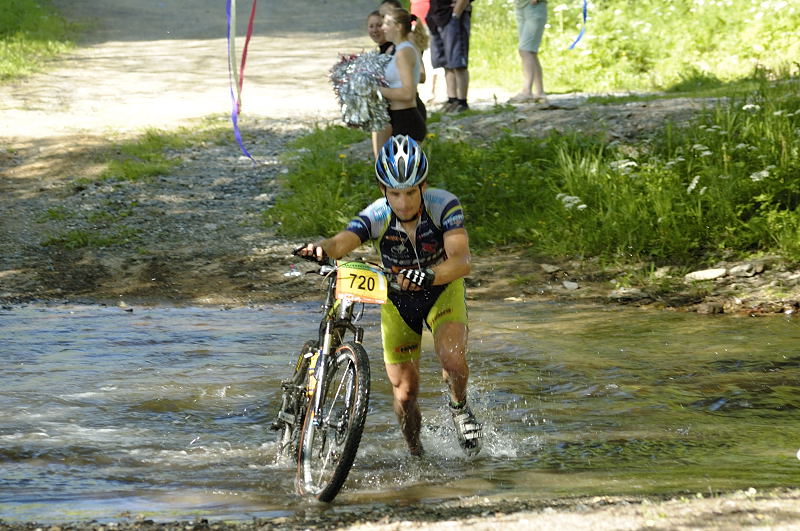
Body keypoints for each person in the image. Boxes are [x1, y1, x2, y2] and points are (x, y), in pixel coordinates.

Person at [297, 135, 483, 457]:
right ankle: (416, 454)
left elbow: (462, 261)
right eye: (395, 193)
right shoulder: (378, 214)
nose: (404, 201)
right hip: (397, 300)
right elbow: (342, 242)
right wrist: (321, 249)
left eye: (411, 192)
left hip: (441, 290)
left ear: (423, 186)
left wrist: (429, 275)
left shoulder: (444, 205)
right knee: (406, 393)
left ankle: (459, 406)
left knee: (451, 359)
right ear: (383, 190)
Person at [371, 8, 429, 158]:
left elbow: (407, 93)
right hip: (396, 117)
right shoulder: (398, 50)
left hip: (406, 119)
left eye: (387, 24)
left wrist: (376, 89)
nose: (383, 28)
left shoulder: (404, 52)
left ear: (398, 27)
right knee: (395, 178)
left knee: (405, 179)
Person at [426, 0, 472, 113]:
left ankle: (462, 102)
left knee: (457, 62)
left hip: (452, 16)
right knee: (446, 63)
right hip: (436, 16)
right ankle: (452, 100)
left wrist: (456, 13)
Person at [509, 0, 547, 103]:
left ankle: (527, 91)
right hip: (520, 6)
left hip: (534, 7)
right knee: (531, 52)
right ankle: (539, 92)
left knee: (525, 50)